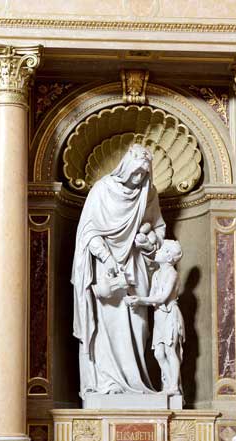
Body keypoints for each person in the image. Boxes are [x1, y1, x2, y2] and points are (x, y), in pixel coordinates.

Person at [71, 143, 165, 398]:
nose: (139, 178)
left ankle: (137, 383)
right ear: (125, 167)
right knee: (109, 327)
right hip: (106, 269)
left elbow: (159, 228)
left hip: (136, 265)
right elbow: (88, 232)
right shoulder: (102, 190)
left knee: (138, 324)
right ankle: (108, 383)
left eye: (144, 174)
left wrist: (148, 241)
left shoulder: (149, 193)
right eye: (136, 172)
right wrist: (107, 257)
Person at [124, 240, 184, 395]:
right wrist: (135, 298)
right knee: (158, 353)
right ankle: (170, 383)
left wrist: (140, 300)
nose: (157, 250)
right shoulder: (157, 274)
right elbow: (151, 298)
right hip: (159, 317)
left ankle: (174, 387)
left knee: (170, 351)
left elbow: (162, 298)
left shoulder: (172, 273)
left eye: (162, 250)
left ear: (169, 258)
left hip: (170, 314)